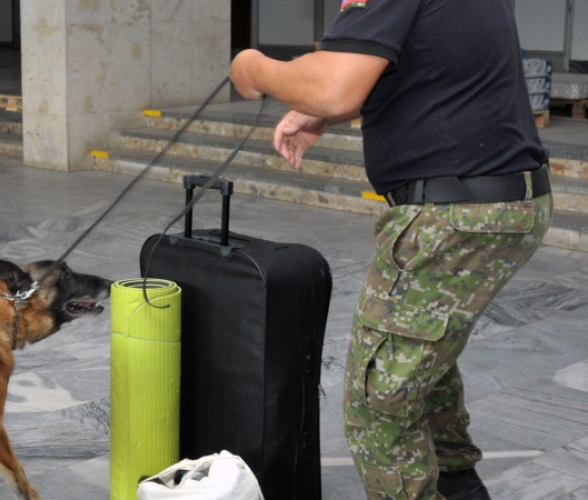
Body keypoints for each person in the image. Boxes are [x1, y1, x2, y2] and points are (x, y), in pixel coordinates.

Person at [230, 1, 552, 499]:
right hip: (500, 198)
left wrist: (252, 66)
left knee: (379, 400)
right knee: (423, 365)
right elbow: (435, 66)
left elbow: (335, 86)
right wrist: (325, 109)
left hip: (455, 212)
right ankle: (460, 485)